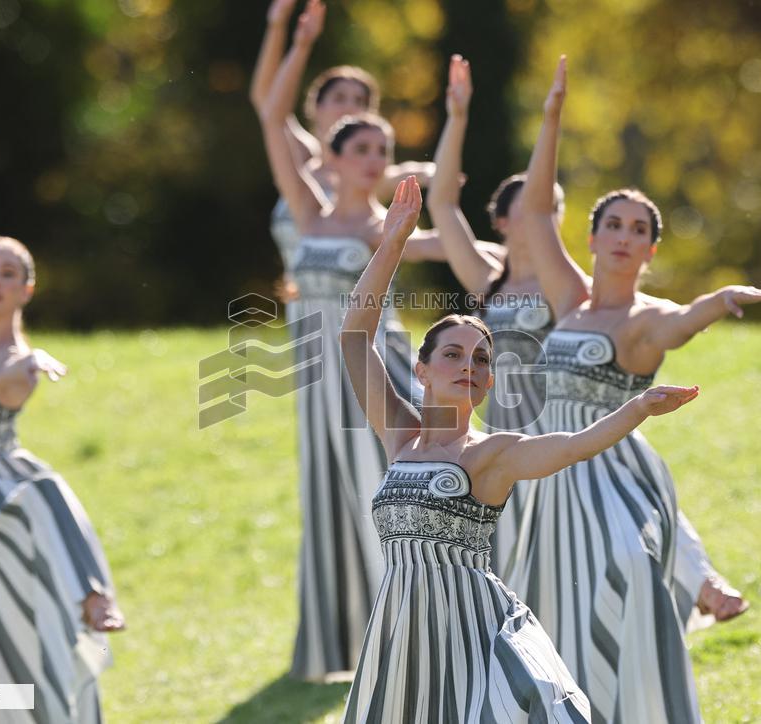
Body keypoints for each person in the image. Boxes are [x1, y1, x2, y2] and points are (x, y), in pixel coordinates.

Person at [340, 176, 701, 722]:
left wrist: (637, 408)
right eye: (453, 355)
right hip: (401, 631)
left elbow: (574, 445)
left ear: (489, 383)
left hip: (473, 635)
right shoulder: (399, 436)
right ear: (422, 370)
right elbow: (353, 337)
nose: (468, 365)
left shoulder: (492, 454)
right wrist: (393, 244)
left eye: (481, 360)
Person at [426, 54, 749, 632]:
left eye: (553, 210)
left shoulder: (568, 287)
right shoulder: (487, 279)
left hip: (564, 424)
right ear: (504, 222)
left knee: (626, 490)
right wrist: (456, 116)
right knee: (521, 566)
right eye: (532, 210)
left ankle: (697, 581)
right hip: (502, 431)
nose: (544, 218)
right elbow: (443, 204)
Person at [514, 56, 761, 722]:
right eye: (615, 224)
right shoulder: (570, 299)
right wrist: (551, 117)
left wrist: (720, 299)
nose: (625, 237)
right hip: (546, 477)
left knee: (627, 574)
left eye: (640, 230)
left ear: (651, 251)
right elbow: (534, 212)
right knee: (547, 612)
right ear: (593, 237)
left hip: (609, 477)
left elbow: (683, 321)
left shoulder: (646, 320)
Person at [258, 0, 448, 681]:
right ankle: (340, 645)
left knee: (384, 486)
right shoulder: (309, 214)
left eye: (380, 152)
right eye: (360, 150)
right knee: (327, 493)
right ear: (331, 158)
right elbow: (271, 116)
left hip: (372, 366)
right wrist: (295, 37)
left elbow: (443, 243)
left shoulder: (379, 227)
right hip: (315, 370)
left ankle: (413, 629)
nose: (372, 161)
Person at [0, 122, 123, 723]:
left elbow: (18, 374)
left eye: (9, 273)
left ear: (26, 290)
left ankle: (91, 599)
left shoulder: (18, 364)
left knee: (44, 502)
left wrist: (33, 359)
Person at [250, 0, 435, 309]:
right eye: (339, 97)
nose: (350, 106)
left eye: (360, 101)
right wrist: (279, 26)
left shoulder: (373, 173)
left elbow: (422, 174)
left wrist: (436, 175)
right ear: (315, 107)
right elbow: (267, 103)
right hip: (303, 303)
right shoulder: (303, 158)